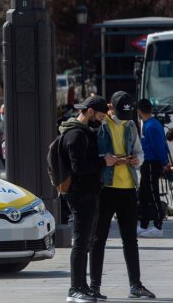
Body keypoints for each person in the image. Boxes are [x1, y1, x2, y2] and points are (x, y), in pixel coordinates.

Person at [89, 91, 155, 300]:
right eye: (119, 112)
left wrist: (137, 160)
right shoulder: (101, 124)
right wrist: (109, 160)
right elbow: (94, 155)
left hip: (128, 187)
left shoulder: (130, 124)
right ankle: (95, 286)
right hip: (106, 188)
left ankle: (135, 285)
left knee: (130, 239)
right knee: (99, 239)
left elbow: (139, 151)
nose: (123, 117)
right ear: (110, 107)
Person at [59, 95, 119, 303]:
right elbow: (79, 168)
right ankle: (74, 289)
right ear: (90, 112)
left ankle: (83, 286)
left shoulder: (83, 132)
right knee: (81, 242)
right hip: (80, 194)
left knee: (86, 243)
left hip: (89, 193)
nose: (101, 121)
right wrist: (104, 162)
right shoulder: (76, 135)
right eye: (100, 116)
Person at [136, 99, 171, 238]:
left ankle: (158, 226)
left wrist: (164, 162)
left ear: (139, 111)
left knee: (152, 194)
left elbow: (158, 146)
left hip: (152, 163)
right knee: (143, 195)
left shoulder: (150, 126)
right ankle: (143, 224)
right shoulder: (153, 123)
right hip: (148, 163)